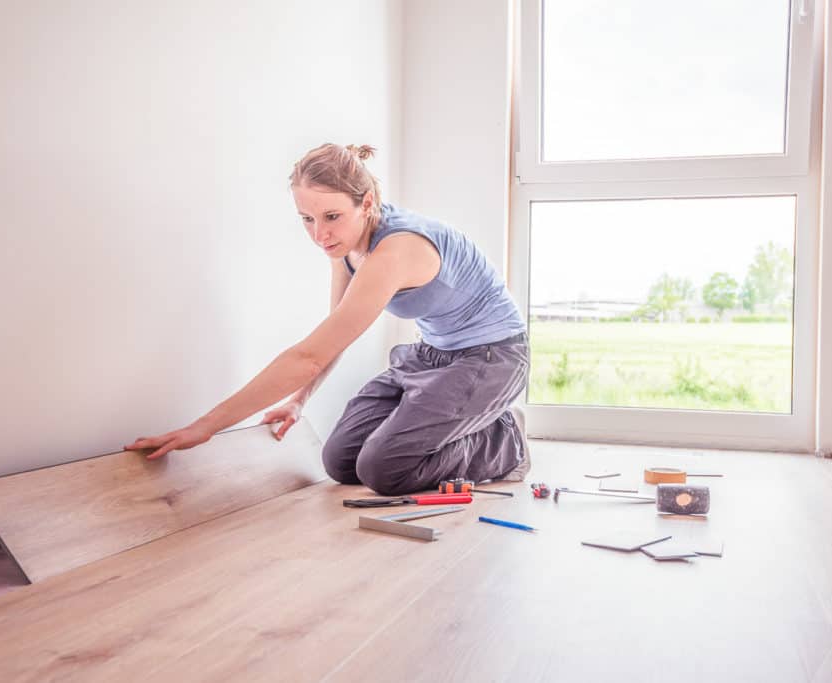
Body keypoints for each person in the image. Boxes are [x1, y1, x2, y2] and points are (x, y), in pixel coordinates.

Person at [125, 143, 530, 496]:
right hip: (432, 355)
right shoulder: (347, 248)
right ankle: (457, 424)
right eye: (307, 219)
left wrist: (206, 426)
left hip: (491, 359)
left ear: (366, 203)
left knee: (382, 469)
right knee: (341, 461)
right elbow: (332, 335)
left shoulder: (395, 251)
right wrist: (298, 401)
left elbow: (308, 357)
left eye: (332, 216)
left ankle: (504, 438)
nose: (320, 234)